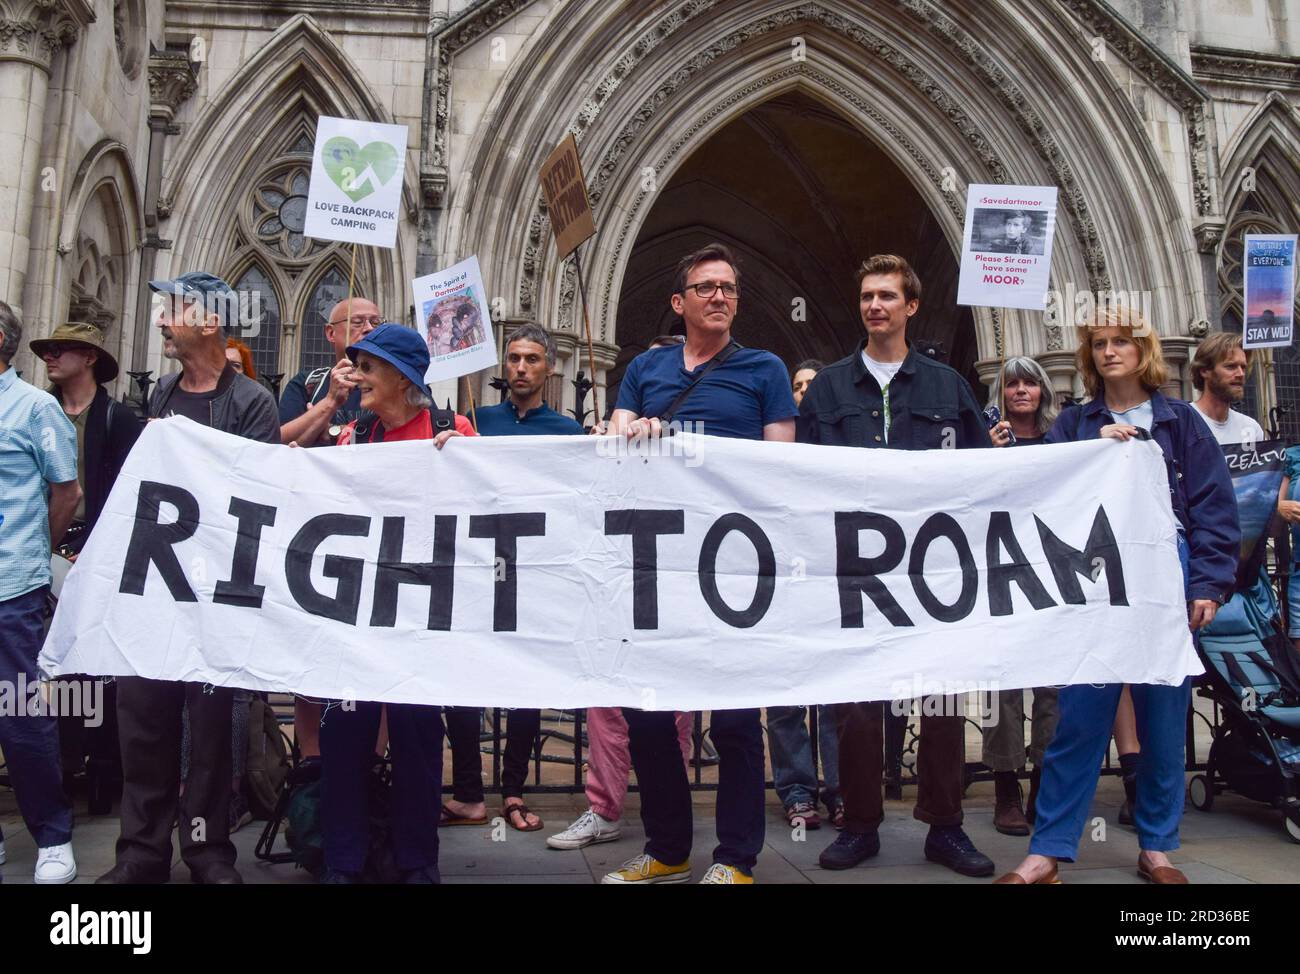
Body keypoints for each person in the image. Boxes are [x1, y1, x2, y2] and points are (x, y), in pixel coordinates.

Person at [996, 306, 1238, 885]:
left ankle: (1157, 847)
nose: (1109, 351)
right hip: (1094, 582)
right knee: (1080, 717)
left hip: (1164, 576)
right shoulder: (1077, 423)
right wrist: (1087, 452)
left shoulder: (1180, 421)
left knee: (1163, 717)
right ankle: (1047, 852)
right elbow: (1036, 488)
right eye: (1099, 343)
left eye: (1122, 342)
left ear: (1144, 350)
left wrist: (1207, 583)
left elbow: (1213, 508)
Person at [599, 242, 797, 885]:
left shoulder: (765, 370)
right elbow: (613, 445)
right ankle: (667, 849)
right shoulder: (644, 369)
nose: (720, 296)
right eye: (707, 287)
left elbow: (780, 470)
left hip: (734, 569)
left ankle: (736, 858)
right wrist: (635, 434)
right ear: (679, 303)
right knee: (650, 718)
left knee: (737, 721)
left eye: (730, 288)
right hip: (659, 570)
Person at [798, 253, 995, 877]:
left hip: (933, 572)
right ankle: (859, 823)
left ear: (911, 306)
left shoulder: (948, 386)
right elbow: (799, 478)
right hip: (856, 572)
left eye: (887, 296)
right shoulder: (828, 387)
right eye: (866, 297)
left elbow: (980, 479)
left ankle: (946, 826)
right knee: (856, 703)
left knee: (939, 699)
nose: (875, 306)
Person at [97, 271, 280, 885]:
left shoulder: (251, 401)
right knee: (143, 721)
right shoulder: (164, 394)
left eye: (170, 309)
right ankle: (140, 853)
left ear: (207, 320)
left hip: (210, 595)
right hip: (156, 589)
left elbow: (254, 492)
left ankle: (206, 849)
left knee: (207, 732)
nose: (159, 322)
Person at [318, 323, 474, 884]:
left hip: (420, 621)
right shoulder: (352, 438)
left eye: (369, 368)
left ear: (403, 379)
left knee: (417, 742)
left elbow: (489, 508)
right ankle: (342, 860)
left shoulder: (451, 431)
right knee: (344, 742)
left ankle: (417, 862)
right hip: (358, 618)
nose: (357, 376)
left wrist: (468, 463)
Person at [31, 322, 143, 817]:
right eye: (47, 350)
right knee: (37, 666)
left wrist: (94, 550)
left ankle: (100, 770)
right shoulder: (38, 410)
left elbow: (128, 495)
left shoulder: (118, 419)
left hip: (95, 551)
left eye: (60, 349)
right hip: (36, 548)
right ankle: (57, 761)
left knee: (92, 667)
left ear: (90, 357)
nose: (50, 357)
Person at [277, 298, 380, 762]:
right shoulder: (308, 384)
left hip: (376, 541)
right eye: (357, 323)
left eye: (376, 322)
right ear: (331, 334)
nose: (368, 328)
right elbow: (280, 445)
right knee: (311, 658)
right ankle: (312, 768)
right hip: (315, 538)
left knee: (376, 660)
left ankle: (374, 767)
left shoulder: (392, 384)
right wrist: (331, 404)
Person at [0, 301, 81, 883]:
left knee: (23, 718)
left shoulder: (35, 408)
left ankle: (52, 836)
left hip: (12, 587)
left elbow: (66, 491)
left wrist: (33, 551)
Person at [983, 356, 1060, 835]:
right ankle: (1005, 787)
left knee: (1052, 686)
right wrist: (983, 453)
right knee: (1003, 682)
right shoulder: (986, 438)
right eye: (1011, 383)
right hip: (999, 570)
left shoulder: (1064, 439)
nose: (1021, 390)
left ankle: (1044, 783)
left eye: (1030, 382)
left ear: (1044, 389)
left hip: (1053, 571)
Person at [765, 357, 841, 831]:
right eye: (796, 386)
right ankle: (797, 791)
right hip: (781, 583)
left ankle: (840, 789)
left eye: (813, 385)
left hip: (832, 579)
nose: (804, 392)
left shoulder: (838, 443)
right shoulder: (771, 444)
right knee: (786, 693)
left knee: (835, 692)